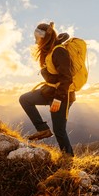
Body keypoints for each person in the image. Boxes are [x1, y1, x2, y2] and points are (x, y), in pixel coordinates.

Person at [19, 22, 75, 156]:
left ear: (44, 37)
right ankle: (43, 129)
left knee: (59, 130)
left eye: (37, 38)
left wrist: (58, 99)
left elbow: (67, 78)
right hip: (49, 91)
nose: (35, 41)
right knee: (25, 99)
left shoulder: (59, 51)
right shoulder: (48, 51)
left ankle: (68, 158)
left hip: (62, 95)